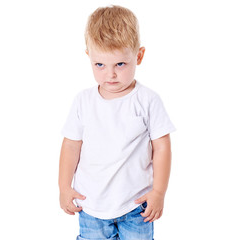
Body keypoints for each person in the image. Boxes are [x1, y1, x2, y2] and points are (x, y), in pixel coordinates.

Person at [59, 5, 176, 240]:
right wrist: (64, 187)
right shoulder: (83, 101)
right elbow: (71, 146)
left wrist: (159, 192)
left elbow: (162, 147)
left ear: (139, 56)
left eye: (120, 64)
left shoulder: (148, 100)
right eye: (99, 65)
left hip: (136, 206)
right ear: (89, 57)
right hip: (91, 205)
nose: (110, 75)